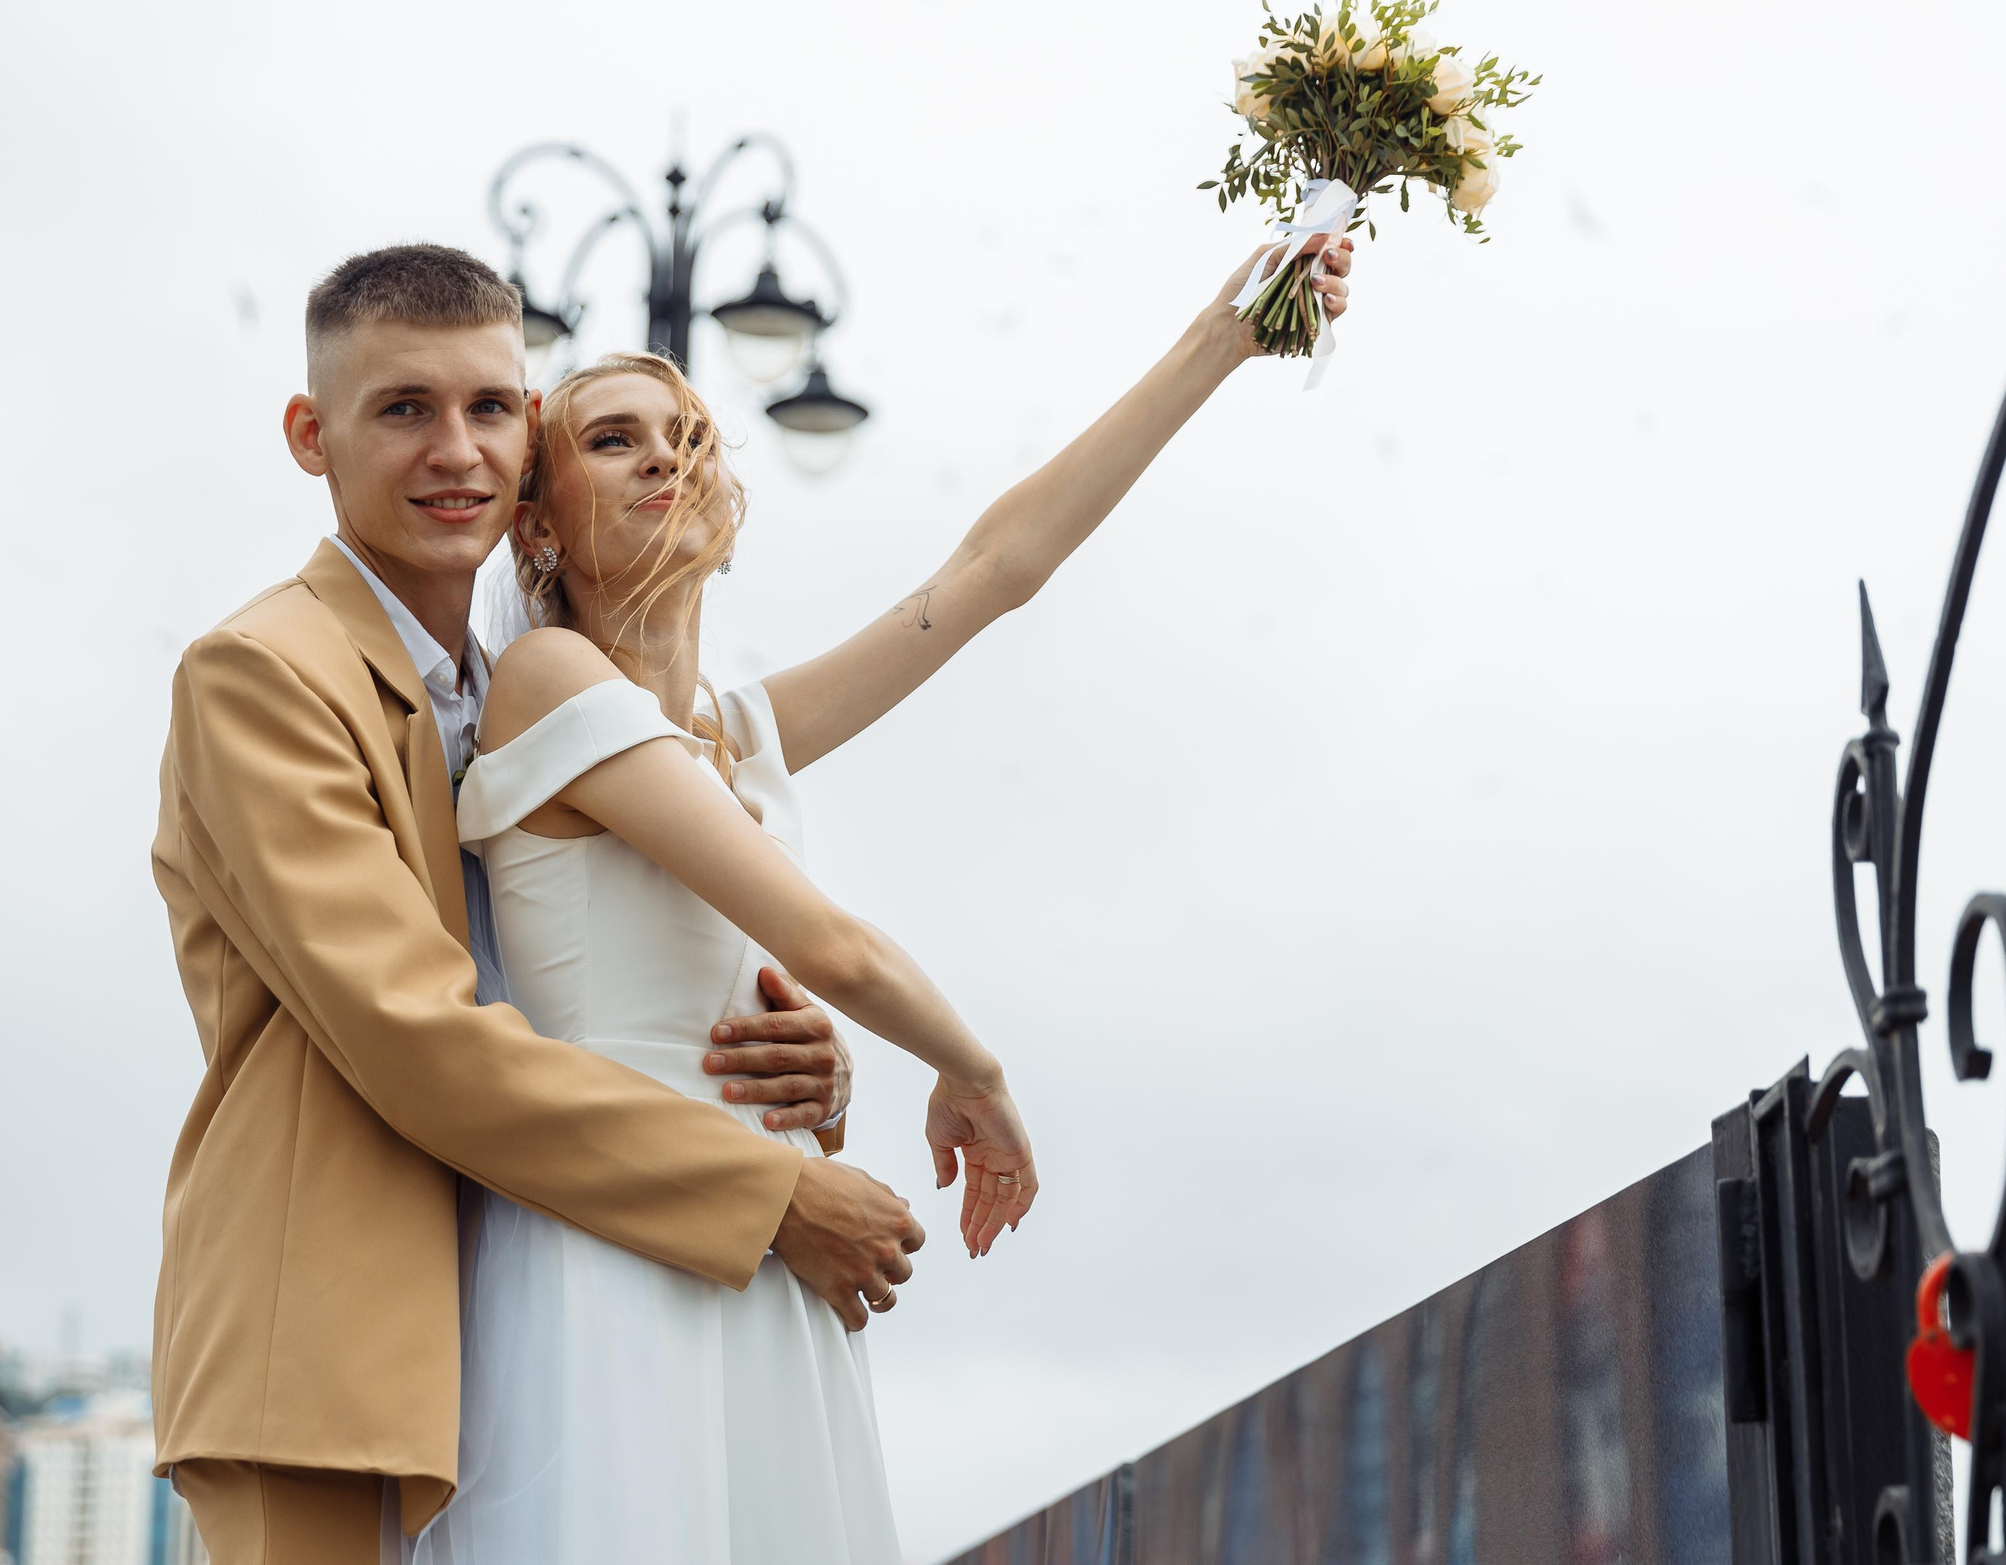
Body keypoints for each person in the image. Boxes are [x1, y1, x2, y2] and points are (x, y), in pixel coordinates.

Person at [417, 233, 1353, 1563]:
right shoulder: (549, 680)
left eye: (691, 437)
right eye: (614, 441)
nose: (667, 459)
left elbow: (987, 576)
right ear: (539, 524)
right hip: (623, 1241)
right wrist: (974, 1070)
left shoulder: (735, 730)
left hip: (773, 1242)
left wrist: (1227, 337)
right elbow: (829, 946)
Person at [148, 244, 929, 1565]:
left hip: (526, 1329)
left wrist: (794, 1058)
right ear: (311, 435)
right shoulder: (262, 674)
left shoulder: (519, 697)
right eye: (405, 408)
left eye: (491, 408)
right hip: (336, 1370)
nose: (455, 449)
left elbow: (569, 980)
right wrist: (770, 1194)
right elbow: (418, 1035)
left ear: (525, 452)